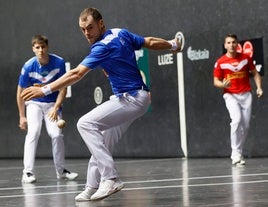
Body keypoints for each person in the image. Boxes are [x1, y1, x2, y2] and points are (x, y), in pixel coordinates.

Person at [21, 7, 182, 201]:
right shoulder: (119, 33)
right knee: (102, 142)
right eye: (83, 29)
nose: (87, 33)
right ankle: (91, 186)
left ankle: (110, 178)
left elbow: (76, 73)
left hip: (131, 97)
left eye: (90, 27)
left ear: (101, 23)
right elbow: (150, 42)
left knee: (85, 124)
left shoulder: (102, 47)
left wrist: (45, 89)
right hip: (133, 98)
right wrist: (172, 44)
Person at [17, 35, 78, 183]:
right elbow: (20, 92)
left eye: (43, 47)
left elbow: (63, 87)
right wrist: (22, 116)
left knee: (56, 134)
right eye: (37, 47)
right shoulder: (28, 66)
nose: (41, 50)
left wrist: (56, 108)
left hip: (52, 104)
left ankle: (61, 171)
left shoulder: (59, 62)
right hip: (34, 103)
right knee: (34, 131)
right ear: (33, 49)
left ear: (47, 47)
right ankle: (28, 173)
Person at [213, 33, 263, 166]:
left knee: (245, 126)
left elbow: (256, 74)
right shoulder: (220, 62)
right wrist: (223, 85)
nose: (231, 45)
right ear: (225, 45)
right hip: (230, 95)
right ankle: (235, 153)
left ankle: (238, 152)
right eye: (228, 43)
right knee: (236, 120)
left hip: (246, 95)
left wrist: (259, 87)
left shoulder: (246, 58)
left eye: (234, 42)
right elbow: (216, 81)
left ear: (237, 44)